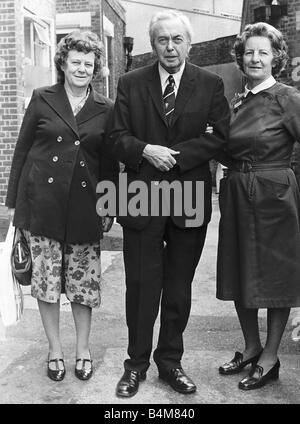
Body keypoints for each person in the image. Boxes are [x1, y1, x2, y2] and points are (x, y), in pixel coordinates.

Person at [109, 10, 230, 397]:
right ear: (153, 44)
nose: (170, 47)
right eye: (163, 40)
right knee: (141, 285)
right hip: (142, 198)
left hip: (188, 198)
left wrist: (172, 155)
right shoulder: (130, 83)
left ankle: (170, 363)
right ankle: (136, 365)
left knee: (178, 287)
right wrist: (145, 149)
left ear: (188, 44)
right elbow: (115, 137)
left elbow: (220, 137)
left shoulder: (209, 84)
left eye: (177, 39)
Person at [5, 31, 119, 382]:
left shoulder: (107, 108)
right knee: (46, 281)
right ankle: (55, 349)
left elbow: (110, 161)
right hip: (43, 204)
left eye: (88, 63)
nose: (82, 68)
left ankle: (82, 349)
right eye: (75, 62)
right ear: (63, 64)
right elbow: (22, 152)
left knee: (83, 284)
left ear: (96, 67)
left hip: (86, 206)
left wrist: (109, 204)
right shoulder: (42, 99)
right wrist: (14, 204)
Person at [217, 22, 300, 390]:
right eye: (249, 52)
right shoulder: (237, 99)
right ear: (241, 57)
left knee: (275, 275)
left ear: (275, 58)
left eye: (262, 52)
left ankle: (270, 356)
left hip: (273, 196)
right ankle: (251, 348)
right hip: (236, 192)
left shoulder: (288, 97)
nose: (254, 58)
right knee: (240, 271)